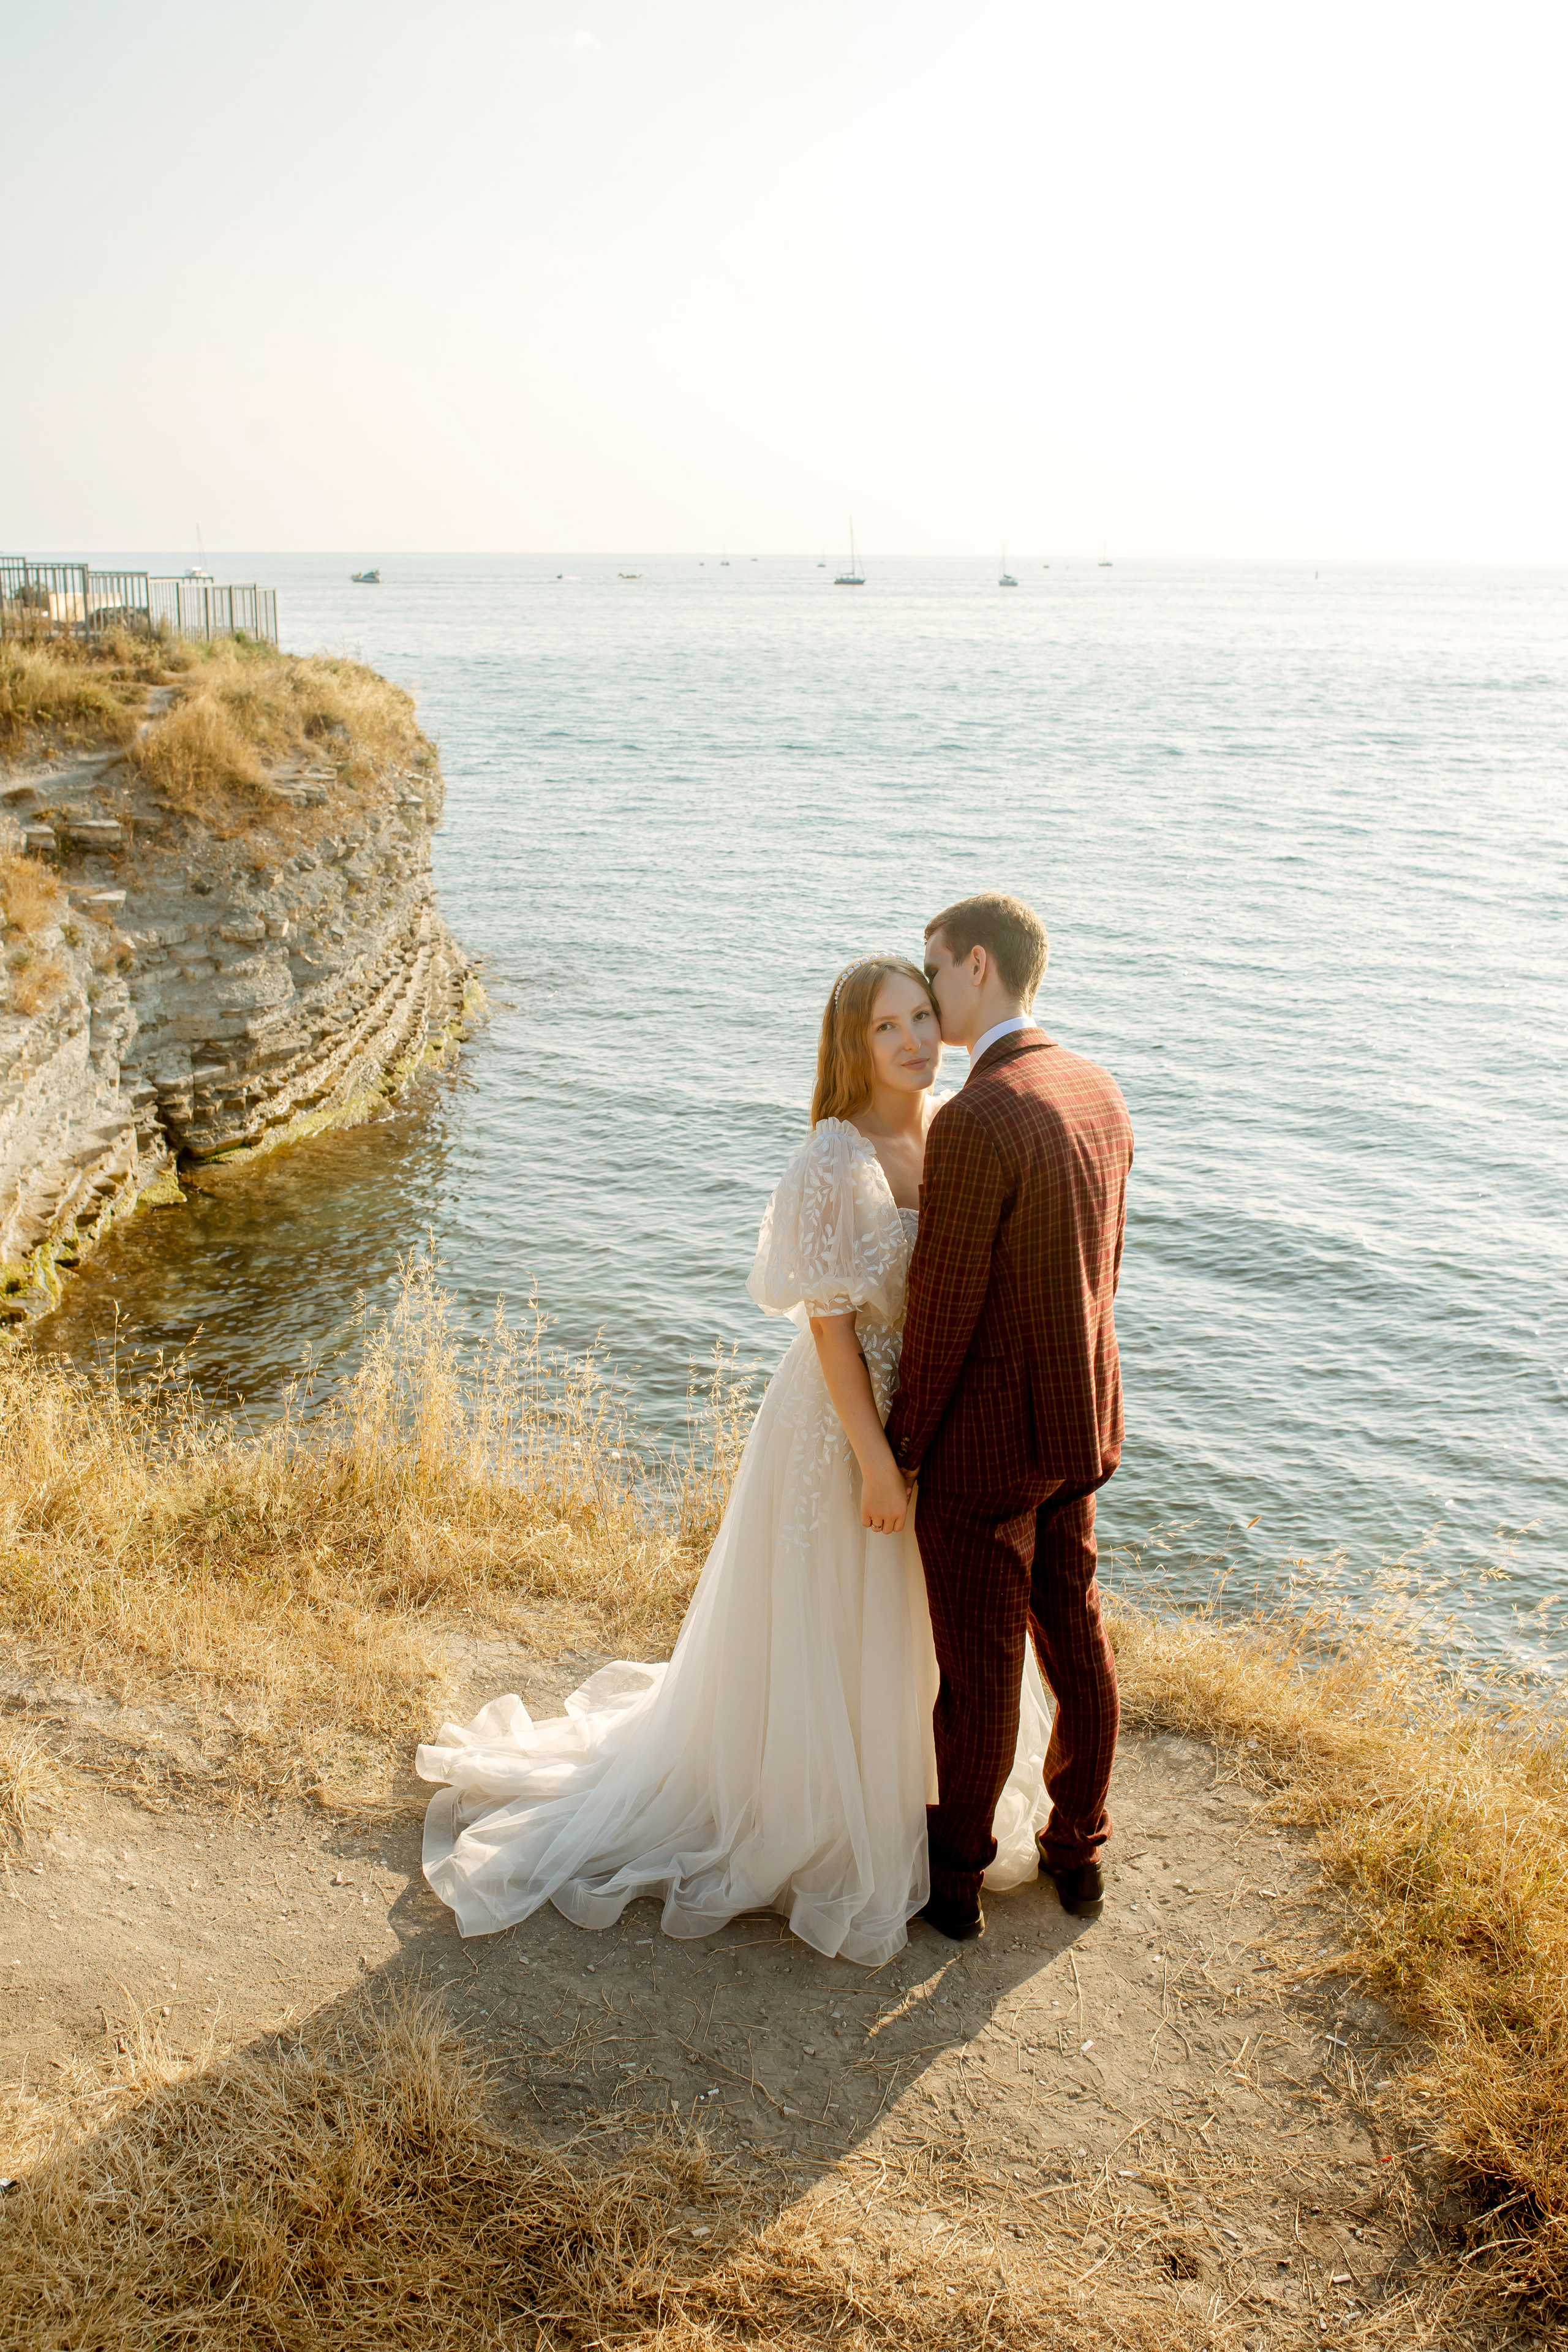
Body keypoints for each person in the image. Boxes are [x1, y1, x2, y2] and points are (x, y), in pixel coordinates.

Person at [417, 956, 1052, 1967]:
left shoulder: (957, 1127)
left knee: (918, 1623)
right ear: (852, 1047)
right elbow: (833, 1334)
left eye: (923, 1016)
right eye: (885, 1028)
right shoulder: (832, 1159)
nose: (913, 1042)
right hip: (845, 1428)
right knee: (835, 1617)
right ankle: (815, 1815)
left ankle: (925, 1798)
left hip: (937, 1420)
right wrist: (878, 1463)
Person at [887, 893, 1134, 1943]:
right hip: (1079, 1429)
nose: (926, 986)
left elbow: (941, 1317)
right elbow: (1101, 1272)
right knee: (1074, 1643)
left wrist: (898, 1454)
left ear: (976, 967)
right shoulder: (1096, 1088)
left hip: (987, 1449)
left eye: (932, 968)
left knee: (980, 1676)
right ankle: (1077, 1851)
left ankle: (955, 1886)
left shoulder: (980, 1117)